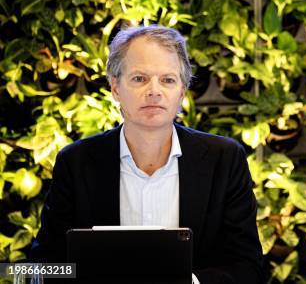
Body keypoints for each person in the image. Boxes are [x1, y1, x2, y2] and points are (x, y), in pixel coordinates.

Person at [31, 25, 264, 283]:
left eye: (167, 80)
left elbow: (249, 269)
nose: (154, 91)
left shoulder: (225, 159)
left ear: (182, 92)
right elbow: (42, 267)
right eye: (140, 78)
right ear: (115, 88)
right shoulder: (75, 162)